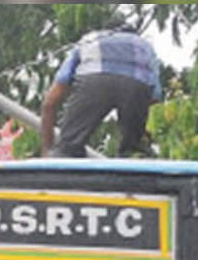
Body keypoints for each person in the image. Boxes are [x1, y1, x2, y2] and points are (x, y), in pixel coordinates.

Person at [40, 19, 162, 157]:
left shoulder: (89, 40)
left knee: (68, 148)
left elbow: (49, 103)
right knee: (134, 151)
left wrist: (47, 150)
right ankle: (134, 158)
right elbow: (155, 100)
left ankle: (62, 160)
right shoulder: (145, 46)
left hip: (93, 81)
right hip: (136, 85)